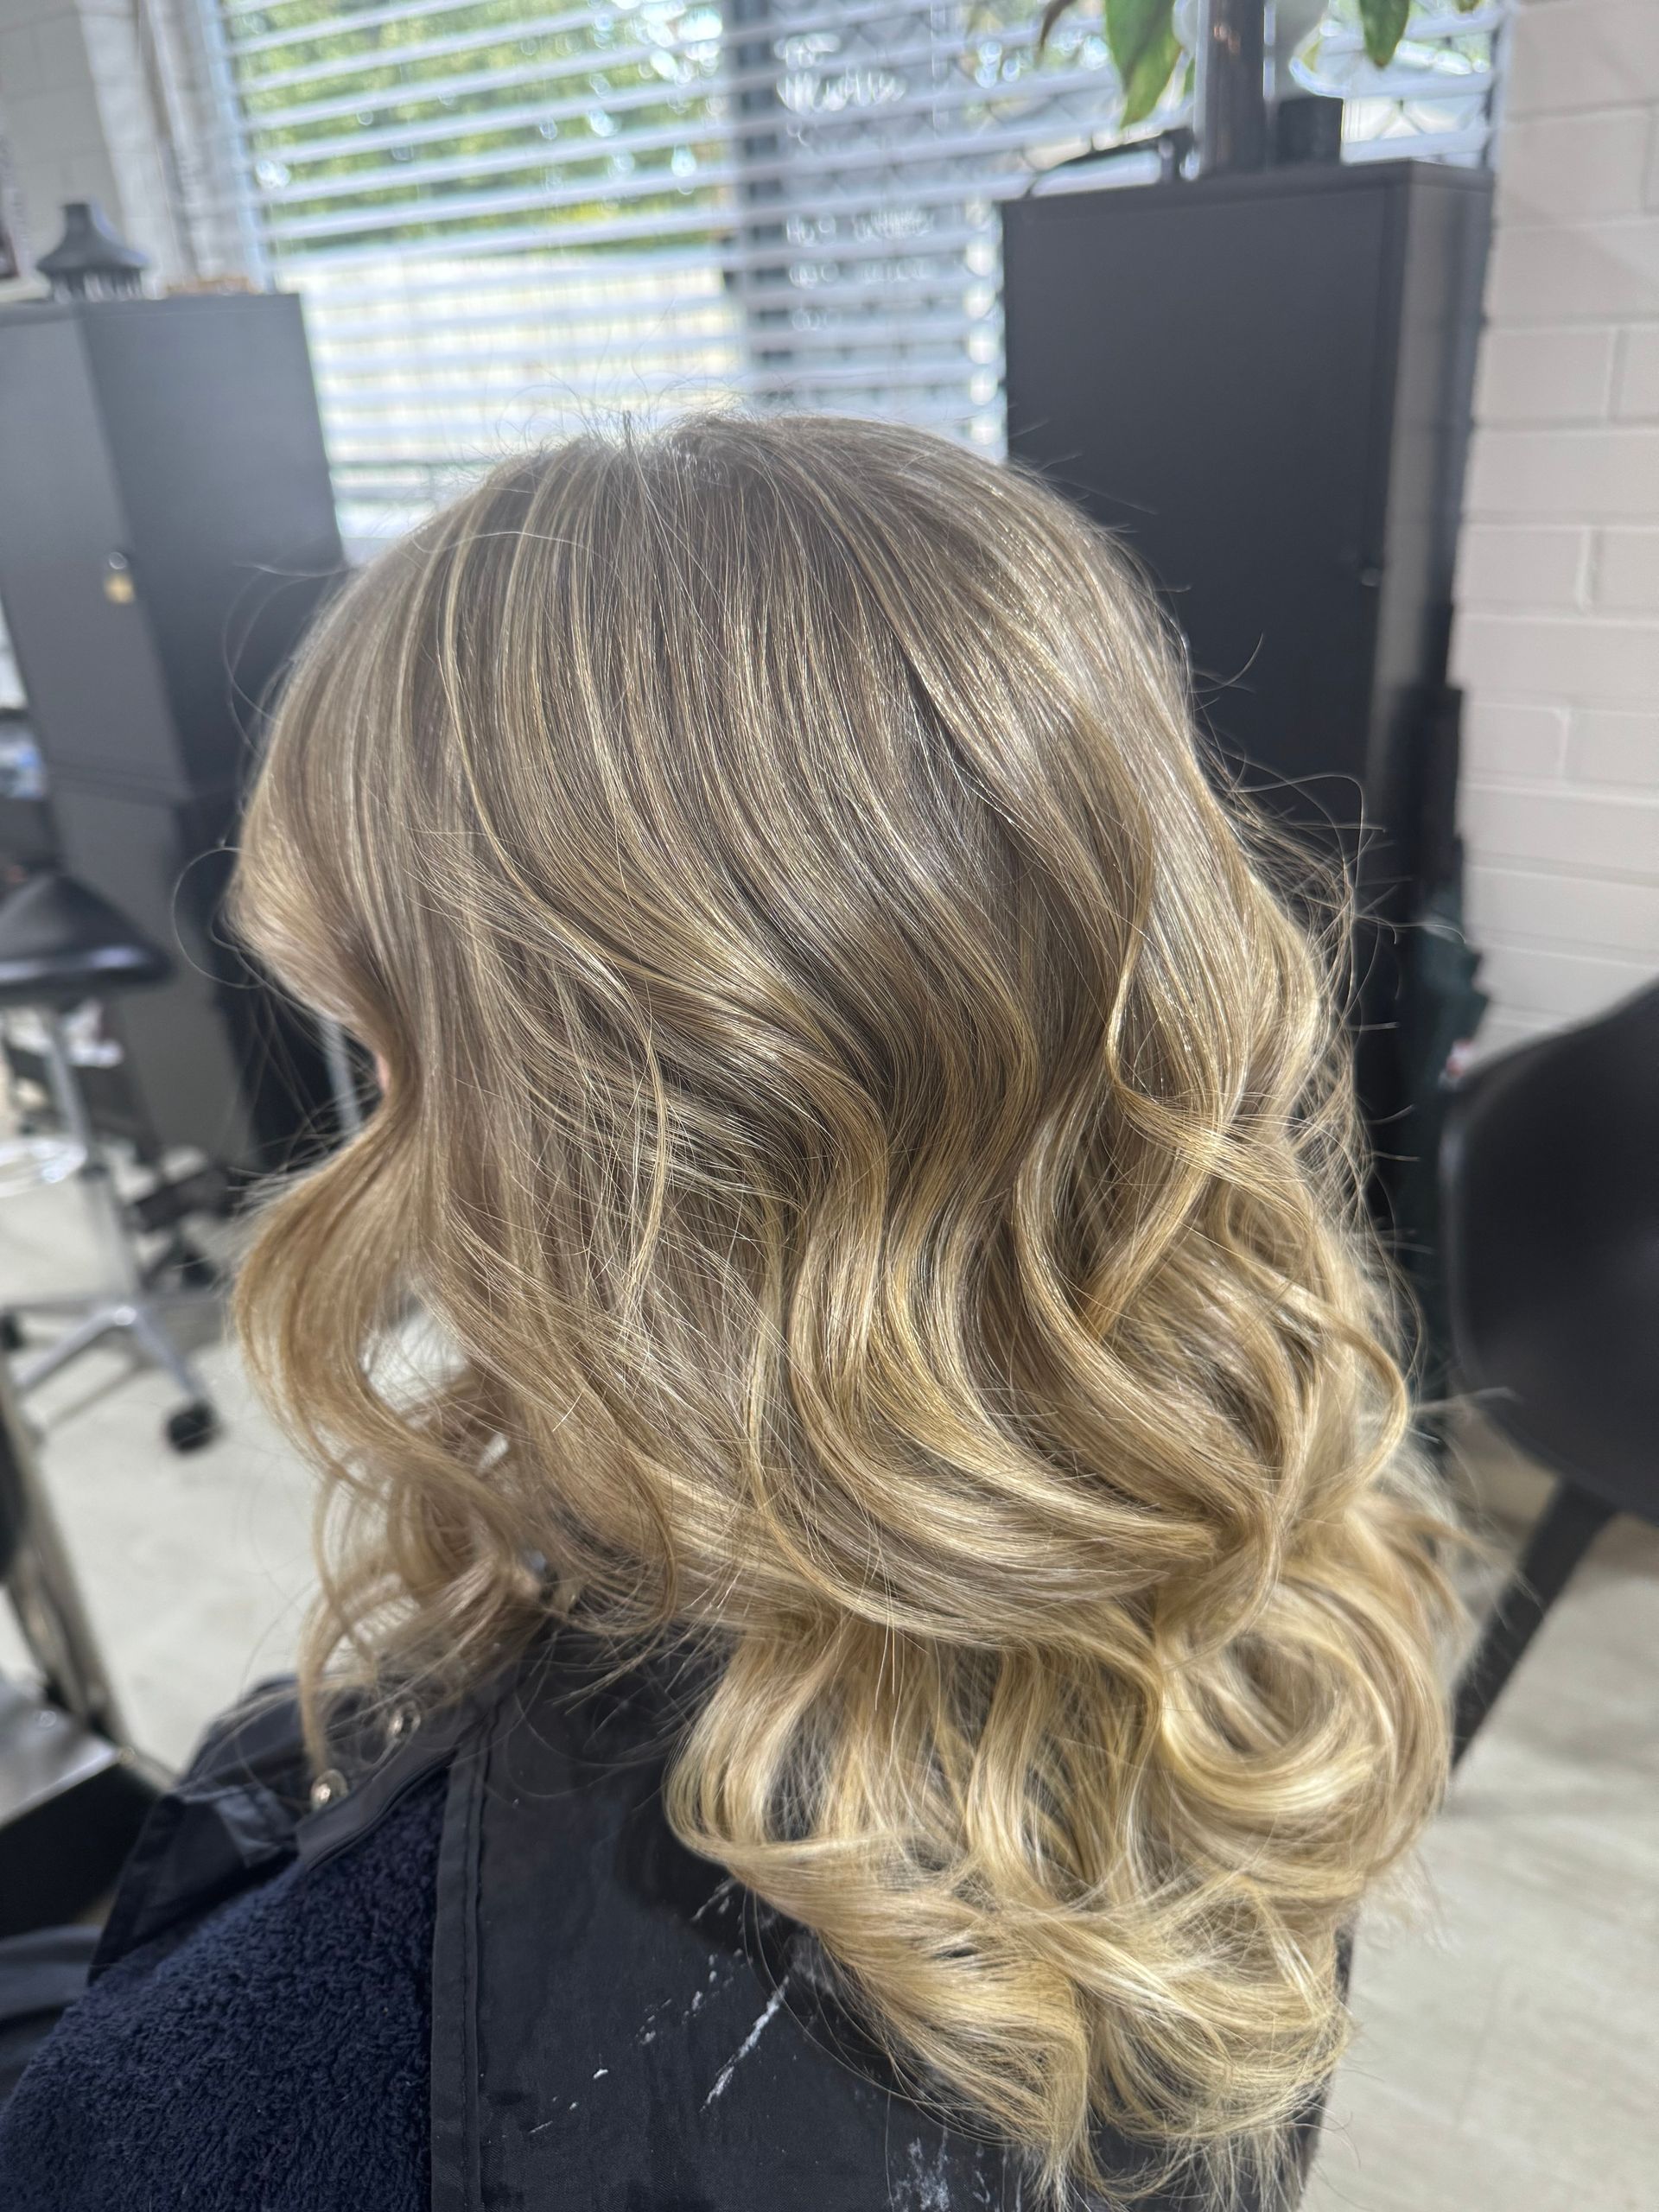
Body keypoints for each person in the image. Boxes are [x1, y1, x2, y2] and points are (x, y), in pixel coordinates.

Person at [0, 414, 1461, 2211]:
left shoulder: (252, 2087)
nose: (379, 1168)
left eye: (385, 1064)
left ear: (585, 1154)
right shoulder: (1264, 1622)